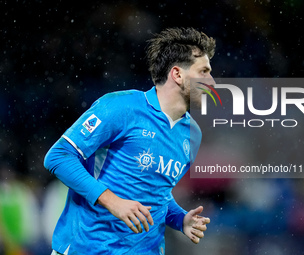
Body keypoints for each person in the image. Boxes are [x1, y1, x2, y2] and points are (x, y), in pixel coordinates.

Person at [44, 27, 216, 255]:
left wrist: (180, 219)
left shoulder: (192, 135)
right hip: (88, 248)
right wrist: (112, 201)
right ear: (177, 74)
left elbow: (158, 193)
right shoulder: (120, 107)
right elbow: (58, 156)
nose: (212, 81)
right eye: (203, 71)